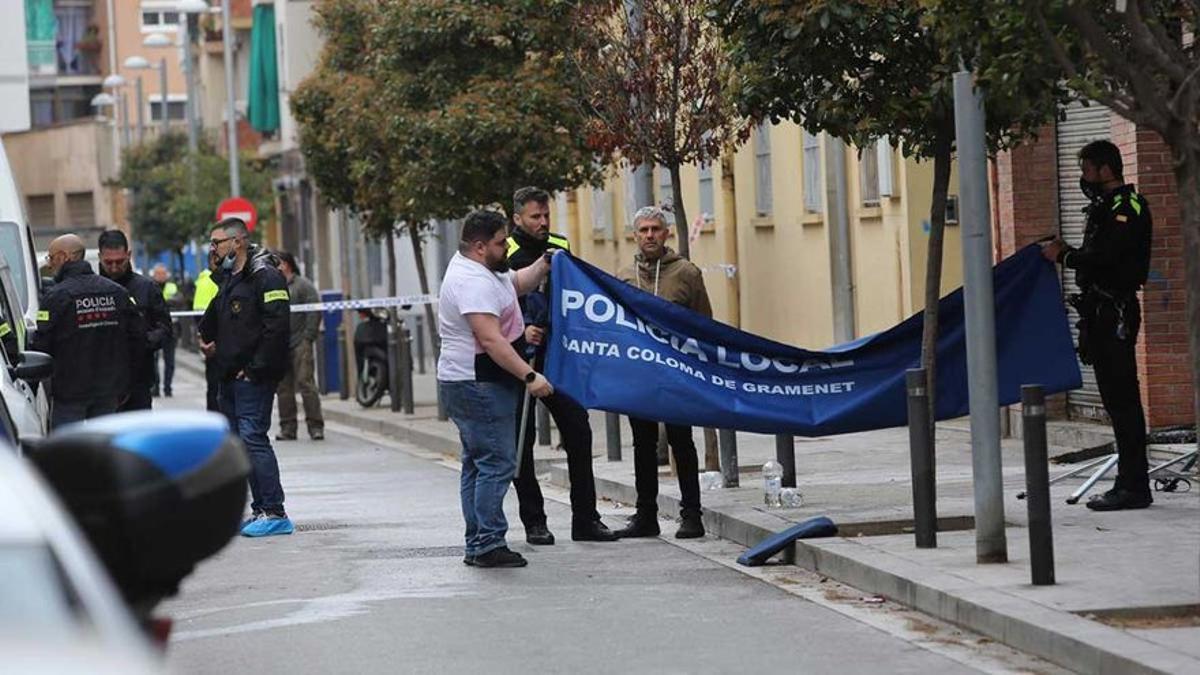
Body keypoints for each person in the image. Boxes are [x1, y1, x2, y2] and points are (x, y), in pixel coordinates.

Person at [438, 209, 555, 568]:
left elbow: (515, 283)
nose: (507, 247)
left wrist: (545, 264)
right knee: (497, 462)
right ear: (478, 247)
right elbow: (491, 340)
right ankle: (488, 543)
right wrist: (530, 376)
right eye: (501, 243)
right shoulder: (471, 281)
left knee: (477, 463)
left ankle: (478, 542)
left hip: (476, 382)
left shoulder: (488, 271)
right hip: (478, 383)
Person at [1041, 140, 1154, 511]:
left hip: (1115, 312)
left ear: (1106, 169)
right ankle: (1128, 481)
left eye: (1088, 169)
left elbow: (1107, 258)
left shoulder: (1128, 206)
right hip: (1098, 313)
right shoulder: (1104, 207)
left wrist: (1066, 255)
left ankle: (1134, 486)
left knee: (1123, 401)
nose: (1083, 177)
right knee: (1114, 399)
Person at [506, 186, 618, 544]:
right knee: (520, 441)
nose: (542, 223)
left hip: (558, 353)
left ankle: (585, 519)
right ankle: (534, 522)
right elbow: (498, 296)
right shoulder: (504, 251)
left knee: (578, 429)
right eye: (534, 217)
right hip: (519, 354)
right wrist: (523, 325)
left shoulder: (560, 245)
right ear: (517, 218)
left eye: (545, 216)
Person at [614, 206, 712, 539]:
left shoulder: (686, 273)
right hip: (639, 374)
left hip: (677, 372)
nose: (650, 235)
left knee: (681, 440)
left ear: (666, 233)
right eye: (643, 230)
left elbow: (704, 323)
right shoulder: (625, 276)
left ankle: (692, 514)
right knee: (643, 444)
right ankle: (646, 515)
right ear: (635, 235)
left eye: (656, 229)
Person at [199, 217, 294, 537]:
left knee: (254, 438)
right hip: (229, 375)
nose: (212, 249)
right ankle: (260, 509)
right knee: (242, 442)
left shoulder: (264, 275)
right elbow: (214, 320)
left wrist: (256, 369)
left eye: (217, 243)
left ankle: (275, 510)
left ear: (237, 242)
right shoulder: (232, 277)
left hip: (252, 377)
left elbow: (277, 328)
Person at [32, 234, 143, 429]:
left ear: (63, 257)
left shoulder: (55, 297)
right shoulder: (117, 292)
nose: (50, 265)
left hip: (69, 394)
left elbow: (41, 346)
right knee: (102, 449)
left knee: (69, 451)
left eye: (51, 258)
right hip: (109, 391)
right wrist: (126, 382)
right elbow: (137, 339)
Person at [97, 230, 172, 411]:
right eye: (108, 262)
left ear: (128, 255)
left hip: (138, 381)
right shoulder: (93, 289)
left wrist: (143, 342)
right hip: (101, 386)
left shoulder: (146, 288)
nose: (114, 267)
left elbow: (165, 328)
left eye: (119, 262)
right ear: (99, 257)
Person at [273, 250, 324, 441]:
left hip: (299, 343)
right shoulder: (273, 286)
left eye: (277, 263)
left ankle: (315, 426)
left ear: (286, 264)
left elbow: (314, 311)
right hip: (279, 345)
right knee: (283, 388)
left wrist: (308, 337)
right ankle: (288, 427)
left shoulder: (303, 286)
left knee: (306, 383)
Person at [194, 248, 223, 412]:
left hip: (212, 340)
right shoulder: (210, 281)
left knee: (214, 385)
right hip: (215, 341)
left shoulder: (203, 280)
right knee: (215, 386)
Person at [151, 264, 178, 397]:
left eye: (163, 273)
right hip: (155, 328)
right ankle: (155, 387)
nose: (161, 276)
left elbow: (178, 301)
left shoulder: (172, 287)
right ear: (154, 275)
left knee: (170, 361)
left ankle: (168, 388)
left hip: (170, 329)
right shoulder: (150, 287)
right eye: (158, 273)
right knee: (153, 361)